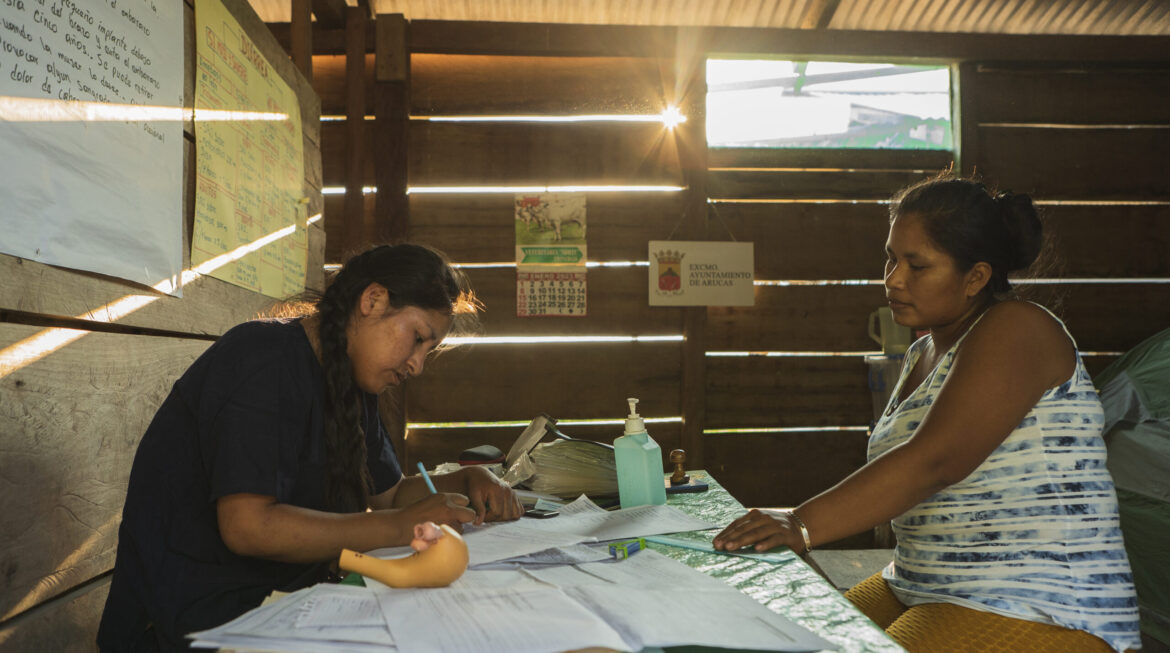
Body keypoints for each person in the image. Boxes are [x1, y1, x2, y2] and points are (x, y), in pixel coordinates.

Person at [713, 176, 1141, 652]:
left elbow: (935, 462)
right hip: (918, 585)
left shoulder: (1019, 329)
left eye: (917, 265)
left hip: (1039, 604)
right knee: (786, 636)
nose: (893, 278)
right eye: (891, 258)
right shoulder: (922, 353)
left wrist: (800, 523)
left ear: (976, 277)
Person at [98, 243, 523, 652]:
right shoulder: (261, 359)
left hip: (279, 604)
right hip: (192, 625)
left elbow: (390, 493)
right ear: (373, 300)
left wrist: (466, 480)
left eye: (428, 351)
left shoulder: (353, 382)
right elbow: (249, 526)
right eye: (417, 338)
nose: (416, 365)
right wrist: (397, 526)